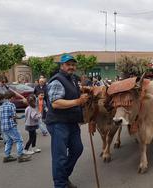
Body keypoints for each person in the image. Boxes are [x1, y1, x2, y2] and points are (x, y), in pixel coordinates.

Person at [45, 54, 89, 188]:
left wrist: (82, 99)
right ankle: (60, 184)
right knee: (60, 157)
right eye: (68, 64)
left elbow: (73, 97)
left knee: (77, 149)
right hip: (58, 123)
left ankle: (63, 177)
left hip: (71, 122)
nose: (71, 67)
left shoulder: (73, 79)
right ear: (62, 66)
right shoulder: (57, 80)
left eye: (73, 64)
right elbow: (56, 103)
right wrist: (78, 101)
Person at [0, 91, 32, 162]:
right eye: (13, 98)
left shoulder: (1, 106)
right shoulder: (11, 105)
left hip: (3, 127)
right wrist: (21, 117)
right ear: (11, 98)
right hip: (10, 126)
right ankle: (20, 156)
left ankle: (7, 156)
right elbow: (14, 116)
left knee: (9, 141)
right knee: (19, 140)